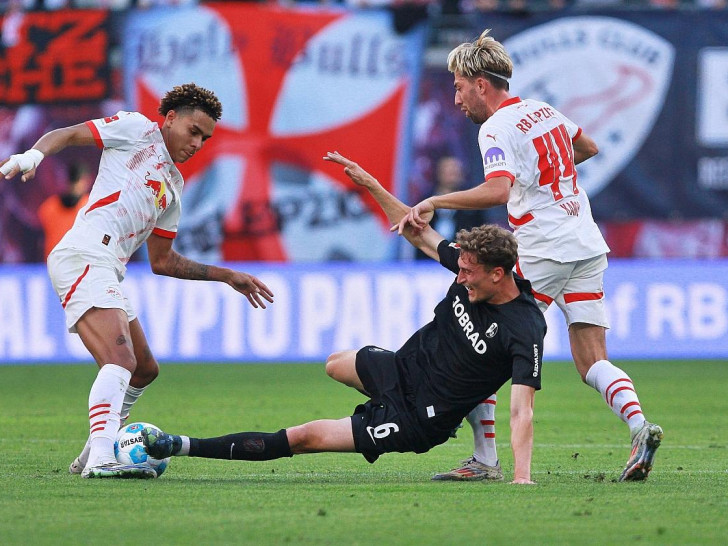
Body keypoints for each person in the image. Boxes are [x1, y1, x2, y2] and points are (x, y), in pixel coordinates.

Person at [141, 151, 547, 484]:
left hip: (417, 416)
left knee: (304, 436)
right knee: (336, 364)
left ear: (499, 274)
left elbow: (522, 409)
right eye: (459, 267)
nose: (459, 277)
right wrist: (369, 184)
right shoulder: (472, 269)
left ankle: (180, 445)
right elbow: (415, 230)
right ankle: (439, 412)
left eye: (467, 272)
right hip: (403, 370)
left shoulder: (525, 327)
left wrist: (522, 478)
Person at [397, 29, 662, 482]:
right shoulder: (543, 111)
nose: (457, 99)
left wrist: (437, 201)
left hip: (542, 248)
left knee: (477, 341)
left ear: (481, 83)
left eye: (459, 87)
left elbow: (498, 188)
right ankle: (640, 427)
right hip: (586, 242)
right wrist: (546, 176)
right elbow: (588, 148)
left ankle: (485, 460)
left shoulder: (495, 127)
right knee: (591, 358)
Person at [0, 83, 274, 479]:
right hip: (84, 252)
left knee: (143, 368)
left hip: (109, 266)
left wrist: (226, 275)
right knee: (120, 360)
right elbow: (70, 133)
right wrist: (33, 155)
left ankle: (89, 454)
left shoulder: (174, 188)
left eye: (205, 138)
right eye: (193, 131)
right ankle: (101, 457)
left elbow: (163, 261)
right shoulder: (135, 129)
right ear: (171, 118)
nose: (197, 143)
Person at [415, 155, 488, 261]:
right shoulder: (425, 202)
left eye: (455, 172)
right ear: (439, 173)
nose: (452, 175)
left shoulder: (472, 204)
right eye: (448, 172)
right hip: (427, 261)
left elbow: (480, 234)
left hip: (463, 260)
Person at [37, 162, 91, 260]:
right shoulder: (90, 206)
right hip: (81, 265)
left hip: (54, 265)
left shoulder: (48, 207)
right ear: (85, 181)